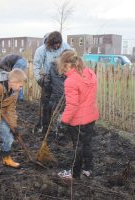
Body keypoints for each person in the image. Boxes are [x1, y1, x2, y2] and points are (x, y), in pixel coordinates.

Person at [57, 50, 99, 180]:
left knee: (77, 148)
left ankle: (74, 174)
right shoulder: (90, 73)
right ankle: (88, 169)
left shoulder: (70, 81)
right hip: (91, 116)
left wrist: (63, 122)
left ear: (66, 65)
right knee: (87, 144)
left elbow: (72, 105)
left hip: (78, 121)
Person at [33, 31, 71, 134]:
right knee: (47, 104)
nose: (57, 46)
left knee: (63, 104)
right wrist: (39, 79)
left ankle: (61, 127)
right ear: (49, 43)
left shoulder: (66, 47)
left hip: (62, 80)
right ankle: (46, 127)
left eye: (58, 43)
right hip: (48, 81)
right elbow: (36, 65)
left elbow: (72, 59)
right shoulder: (41, 50)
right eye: (54, 44)